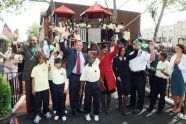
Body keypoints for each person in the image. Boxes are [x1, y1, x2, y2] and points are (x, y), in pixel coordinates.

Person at [60, 40, 88, 116]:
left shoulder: (85, 55)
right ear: (75, 45)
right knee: (73, 93)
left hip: (81, 77)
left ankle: (78, 107)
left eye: (80, 45)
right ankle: (73, 109)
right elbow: (63, 48)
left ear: (82, 46)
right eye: (78, 45)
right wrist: (62, 39)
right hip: (73, 76)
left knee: (80, 92)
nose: (79, 46)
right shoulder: (71, 52)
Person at [128, 40, 155, 114]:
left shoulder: (144, 53)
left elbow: (152, 58)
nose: (135, 45)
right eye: (134, 44)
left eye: (137, 44)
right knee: (132, 91)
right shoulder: (131, 53)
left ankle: (139, 107)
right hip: (132, 75)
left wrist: (152, 50)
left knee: (140, 92)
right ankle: (132, 104)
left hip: (140, 76)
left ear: (140, 45)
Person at [112, 46, 138, 114]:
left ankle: (124, 108)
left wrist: (136, 49)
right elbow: (114, 68)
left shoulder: (127, 57)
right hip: (119, 78)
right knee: (120, 92)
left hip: (127, 77)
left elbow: (134, 55)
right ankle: (120, 104)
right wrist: (117, 76)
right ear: (119, 51)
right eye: (122, 50)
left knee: (126, 92)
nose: (123, 52)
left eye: (124, 50)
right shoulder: (115, 58)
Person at [19, 36, 40, 119]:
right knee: (29, 95)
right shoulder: (25, 48)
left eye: (34, 40)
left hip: (37, 77)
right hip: (28, 76)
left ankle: (36, 111)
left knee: (36, 95)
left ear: (36, 41)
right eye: (30, 40)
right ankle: (30, 112)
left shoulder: (39, 48)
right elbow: (16, 50)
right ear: (28, 41)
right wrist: (14, 42)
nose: (32, 42)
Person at [31, 52, 51, 124]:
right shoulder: (35, 68)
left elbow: (49, 64)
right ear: (37, 59)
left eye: (42, 58)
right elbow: (33, 79)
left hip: (45, 88)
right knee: (37, 103)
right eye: (39, 58)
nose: (40, 59)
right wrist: (33, 89)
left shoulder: (46, 64)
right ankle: (37, 115)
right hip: (37, 89)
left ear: (44, 59)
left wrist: (42, 54)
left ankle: (46, 112)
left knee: (46, 102)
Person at [99, 42, 119, 114]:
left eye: (106, 49)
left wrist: (115, 45)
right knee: (102, 93)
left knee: (108, 93)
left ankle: (108, 107)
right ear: (101, 50)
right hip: (100, 76)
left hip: (108, 77)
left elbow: (115, 51)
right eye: (103, 49)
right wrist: (99, 77)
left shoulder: (109, 55)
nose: (104, 51)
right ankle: (103, 107)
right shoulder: (98, 56)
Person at [80, 53, 100, 121]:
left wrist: (95, 45)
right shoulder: (85, 68)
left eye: (92, 58)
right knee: (87, 100)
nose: (91, 59)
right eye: (90, 58)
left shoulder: (96, 63)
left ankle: (96, 114)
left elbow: (100, 53)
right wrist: (81, 89)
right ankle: (87, 113)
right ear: (87, 59)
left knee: (96, 100)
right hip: (88, 85)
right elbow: (82, 79)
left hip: (96, 84)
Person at [170, 44, 186, 113]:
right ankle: (175, 105)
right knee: (173, 92)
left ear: (182, 49)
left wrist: (179, 63)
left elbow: (185, 69)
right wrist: (173, 64)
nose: (176, 50)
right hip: (173, 76)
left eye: (178, 48)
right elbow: (170, 66)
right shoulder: (173, 56)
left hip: (181, 77)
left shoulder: (185, 57)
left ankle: (179, 107)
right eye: (175, 48)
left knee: (181, 93)